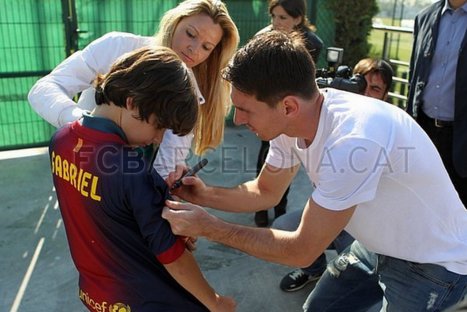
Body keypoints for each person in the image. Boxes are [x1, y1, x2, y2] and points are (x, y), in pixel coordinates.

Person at [162, 31, 467, 311]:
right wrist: (203, 195)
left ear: (289, 107)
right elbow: (266, 192)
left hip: (432, 263)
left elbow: (300, 251)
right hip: (376, 247)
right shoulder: (289, 124)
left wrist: (209, 227)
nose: (238, 120)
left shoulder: (352, 142)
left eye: (246, 109)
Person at [49, 47, 235, 311]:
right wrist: (214, 302)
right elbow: (172, 256)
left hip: (96, 295)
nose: (159, 138)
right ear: (133, 102)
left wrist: (155, 207)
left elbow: (103, 213)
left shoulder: (61, 140)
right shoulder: (133, 170)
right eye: (159, 125)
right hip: (148, 299)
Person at [29, 0, 239, 178]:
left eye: (206, 47)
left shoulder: (192, 92)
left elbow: (167, 163)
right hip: (83, 172)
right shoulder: (118, 47)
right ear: (175, 23)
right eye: (190, 34)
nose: (193, 49)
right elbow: (44, 89)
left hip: (133, 196)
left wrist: (169, 179)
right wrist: (85, 124)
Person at [275, 57, 393, 299]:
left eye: (376, 89)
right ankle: (315, 271)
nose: (366, 93)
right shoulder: (333, 120)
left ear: (386, 96)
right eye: (360, 84)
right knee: (283, 228)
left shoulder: (386, 128)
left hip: (368, 227)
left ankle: (347, 283)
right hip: (332, 213)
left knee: (347, 270)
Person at [254, 0, 324, 227]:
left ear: (298, 18)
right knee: (267, 153)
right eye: (273, 16)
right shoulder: (262, 38)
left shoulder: (312, 43)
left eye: (282, 17)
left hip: (295, 109)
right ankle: (261, 206)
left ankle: (280, 205)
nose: (275, 22)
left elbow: (304, 83)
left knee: (290, 156)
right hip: (268, 105)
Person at [407, 0, 467, 208]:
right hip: (424, 133)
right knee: (420, 206)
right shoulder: (424, 17)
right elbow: (414, 77)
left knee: (458, 213)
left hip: (461, 140)